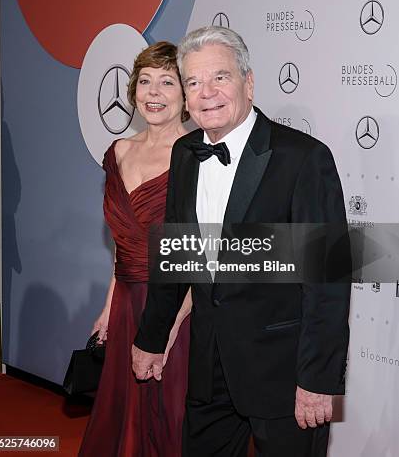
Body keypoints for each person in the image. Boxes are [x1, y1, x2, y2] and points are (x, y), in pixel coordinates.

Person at [132, 26, 351, 457]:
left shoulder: (304, 158)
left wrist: (316, 381)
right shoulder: (186, 152)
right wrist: (153, 336)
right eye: (193, 82)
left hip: (284, 376)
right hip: (208, 371)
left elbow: (328, 283)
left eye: (220, 77)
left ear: (248, 83)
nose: (206, 93)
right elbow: (178, 255)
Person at [79, 42, 191, 457]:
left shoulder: (198, 155)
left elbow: (205, 256)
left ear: (184, 94)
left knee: (170, 414)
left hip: (179, 305)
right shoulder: (119, 152)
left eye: (167, 81)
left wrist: (172, 324)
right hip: (127, 303)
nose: (154, 92)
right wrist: (109, 306)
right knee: (123, 413)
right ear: (133, 92)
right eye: (145, 81)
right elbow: (120, 245)